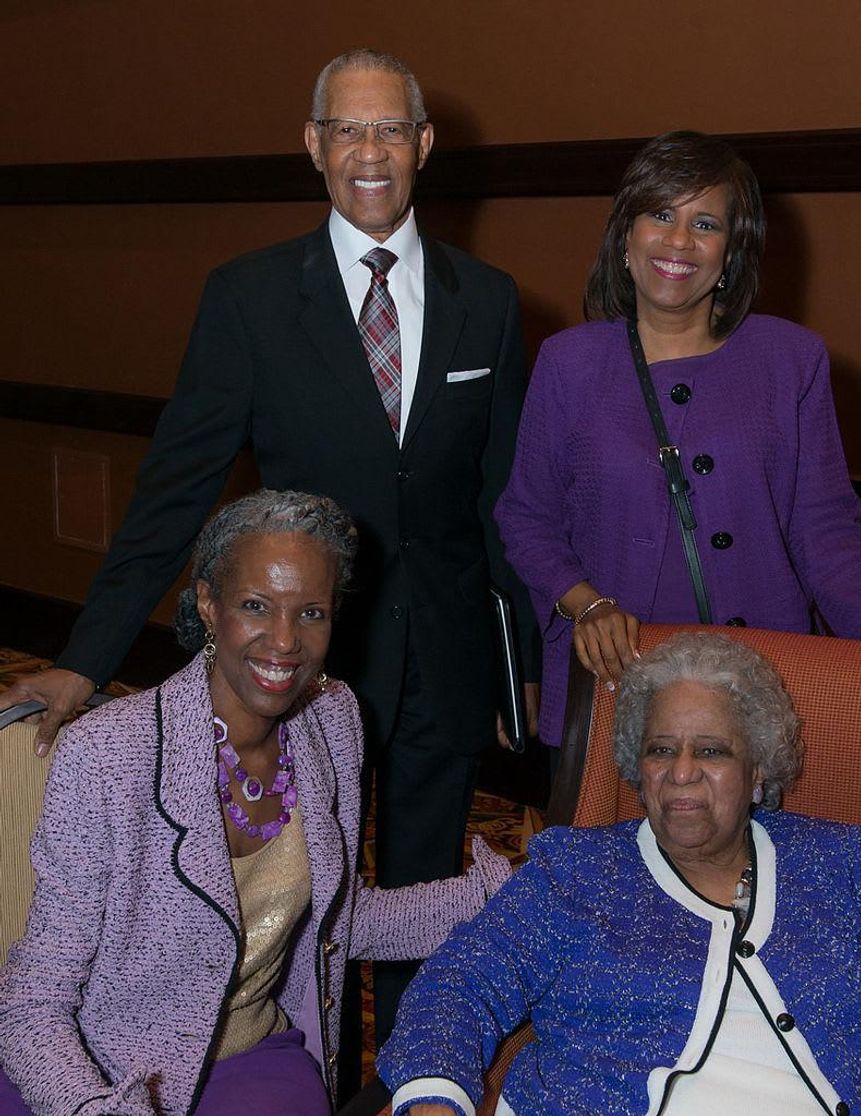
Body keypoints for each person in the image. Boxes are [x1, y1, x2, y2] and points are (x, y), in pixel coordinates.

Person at [0, 48, 537, 1046]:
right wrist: (87, 658)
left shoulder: (489, 302)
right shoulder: (247, 298)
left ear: (422, 145)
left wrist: (522, 666)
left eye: (389, 130)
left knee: (425, 901)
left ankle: (413, 1081)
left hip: (448, 658)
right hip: (296, 665)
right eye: (346, 130)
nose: (368, 152)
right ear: (313, 145)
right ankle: (312, 1082)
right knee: (304, 904)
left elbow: (503, 499)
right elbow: (175, 490)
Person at [0, 490, 510, 1116]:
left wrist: (500, 895)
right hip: (95, 1070)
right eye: (255, 606)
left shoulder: (334, 720)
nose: (284, 642)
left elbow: (335, 921)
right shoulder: (109, 755)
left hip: (246, 1058)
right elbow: (34, 1004)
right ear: (209, 605)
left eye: (313, 613)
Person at [377, 631, 861, 1115]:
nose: (682, 772)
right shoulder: (576, 873)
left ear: (759, 771)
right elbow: (461, 983)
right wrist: (434, 1094)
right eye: (660, 749)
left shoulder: (851, 868)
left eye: (712, 750)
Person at [494, 130, 861, 756]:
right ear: (626, 234)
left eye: (706, 223)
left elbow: (825, 530)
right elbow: (526, 519)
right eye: (660, 214)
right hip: (617, 683)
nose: (678, 241)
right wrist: (586, 606)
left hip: (757, 685)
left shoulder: (792, 361)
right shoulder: (568, 363)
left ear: (733, 250)